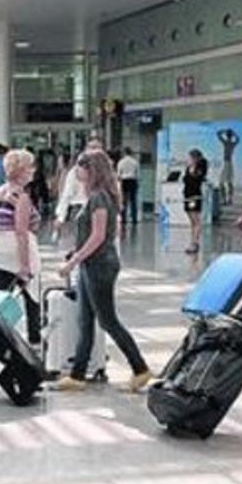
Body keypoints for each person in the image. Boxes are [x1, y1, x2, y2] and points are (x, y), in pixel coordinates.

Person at [54, 149, 153, 393]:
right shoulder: (95, 196)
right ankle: (77, 375)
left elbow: (99, 236)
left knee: (108, 321)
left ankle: (140, 368)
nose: (75, 170)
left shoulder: (99, 197)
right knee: (85, 320)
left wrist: (73, 260)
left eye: (79, 165)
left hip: (100, 266)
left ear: (90, 169)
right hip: (93, 264)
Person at [0, 149, 43, 345]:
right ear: (21, 171)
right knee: (32, 299)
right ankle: (34, 342)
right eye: (30, 167)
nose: (33, 171)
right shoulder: (21, 196)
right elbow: (21, 232)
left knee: (0, 300)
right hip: (15, 250)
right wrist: (25, 264)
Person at [182, 148, 208, 254]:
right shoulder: (188, 167)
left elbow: (197, 178)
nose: (189, 159)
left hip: (195, 196)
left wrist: (193, 170)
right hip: (187, 195)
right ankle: (192, 241)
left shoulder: (200, 168)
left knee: (196, 219)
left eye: (191, 157)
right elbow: (186, 179)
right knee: (192, 221)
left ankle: (195, 243)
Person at [117, 147, 140, 225]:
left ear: (124, 153)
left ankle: (123, 219)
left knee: (124, 200)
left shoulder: (121, 162)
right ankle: (134, 219)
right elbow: (137, 173)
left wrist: (119, 180)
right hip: (133, 180)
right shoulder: (135, 162)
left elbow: (119, 173)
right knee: (133, 200)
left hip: (124, 181)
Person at [217, 128, 240, 205]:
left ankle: (225, 200)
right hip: (229, 162)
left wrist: (225, 131)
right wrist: (233, 133)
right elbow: (238, 139)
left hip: (226, 163)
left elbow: (218, 134)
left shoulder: (226, 143)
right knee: (229, 182)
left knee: (222, 182)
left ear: (227, 136)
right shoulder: (232, 143)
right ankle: (229, 199)